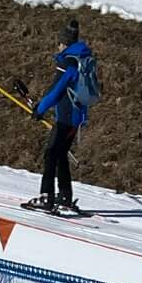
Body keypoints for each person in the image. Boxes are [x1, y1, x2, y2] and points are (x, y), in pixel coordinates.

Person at [26, 18, 94, 217]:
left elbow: (56, 91)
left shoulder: (68, 62)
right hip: (77, 118)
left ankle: (46, 197)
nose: (58, 45)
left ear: (65, 43)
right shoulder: (83, 58)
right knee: (61, 154)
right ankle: (64, 196)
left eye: (60, 42)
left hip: (66, 117)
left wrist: (40, 110)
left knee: (51, 154)